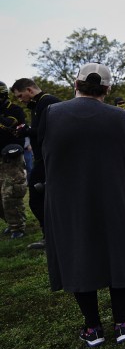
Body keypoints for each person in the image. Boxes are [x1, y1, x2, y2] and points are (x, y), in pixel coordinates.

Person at [39, 63, 125, 347]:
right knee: (117, 252)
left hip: (67, 200)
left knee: (77, 252)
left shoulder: (51, 113)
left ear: (76, 83)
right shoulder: (120, 117)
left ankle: (92, 327)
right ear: (107, 89)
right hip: (113, 195)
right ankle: (122, 322)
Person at [10, 78, 61, 250]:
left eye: (20, 95)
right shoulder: (38, 105)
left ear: (30, 90)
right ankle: (51, 235)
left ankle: (52, 236)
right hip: (44, 158)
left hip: (49, 159)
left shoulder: (48, 101)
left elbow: (50, 131)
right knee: (43, 198)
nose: (20, 100)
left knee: (37, 199)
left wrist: (26, 131)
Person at [0, 81, 26, 238]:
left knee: (10, 194)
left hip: (11, 158)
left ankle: (18, 227)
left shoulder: (15, 110)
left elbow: (13, 126)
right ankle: (10, 222)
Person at [1, 144, 27, 239]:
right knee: (2, 200)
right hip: (3, 159)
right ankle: (11, 223)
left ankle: (18, 227)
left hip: (11, 154)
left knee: (10, 198)